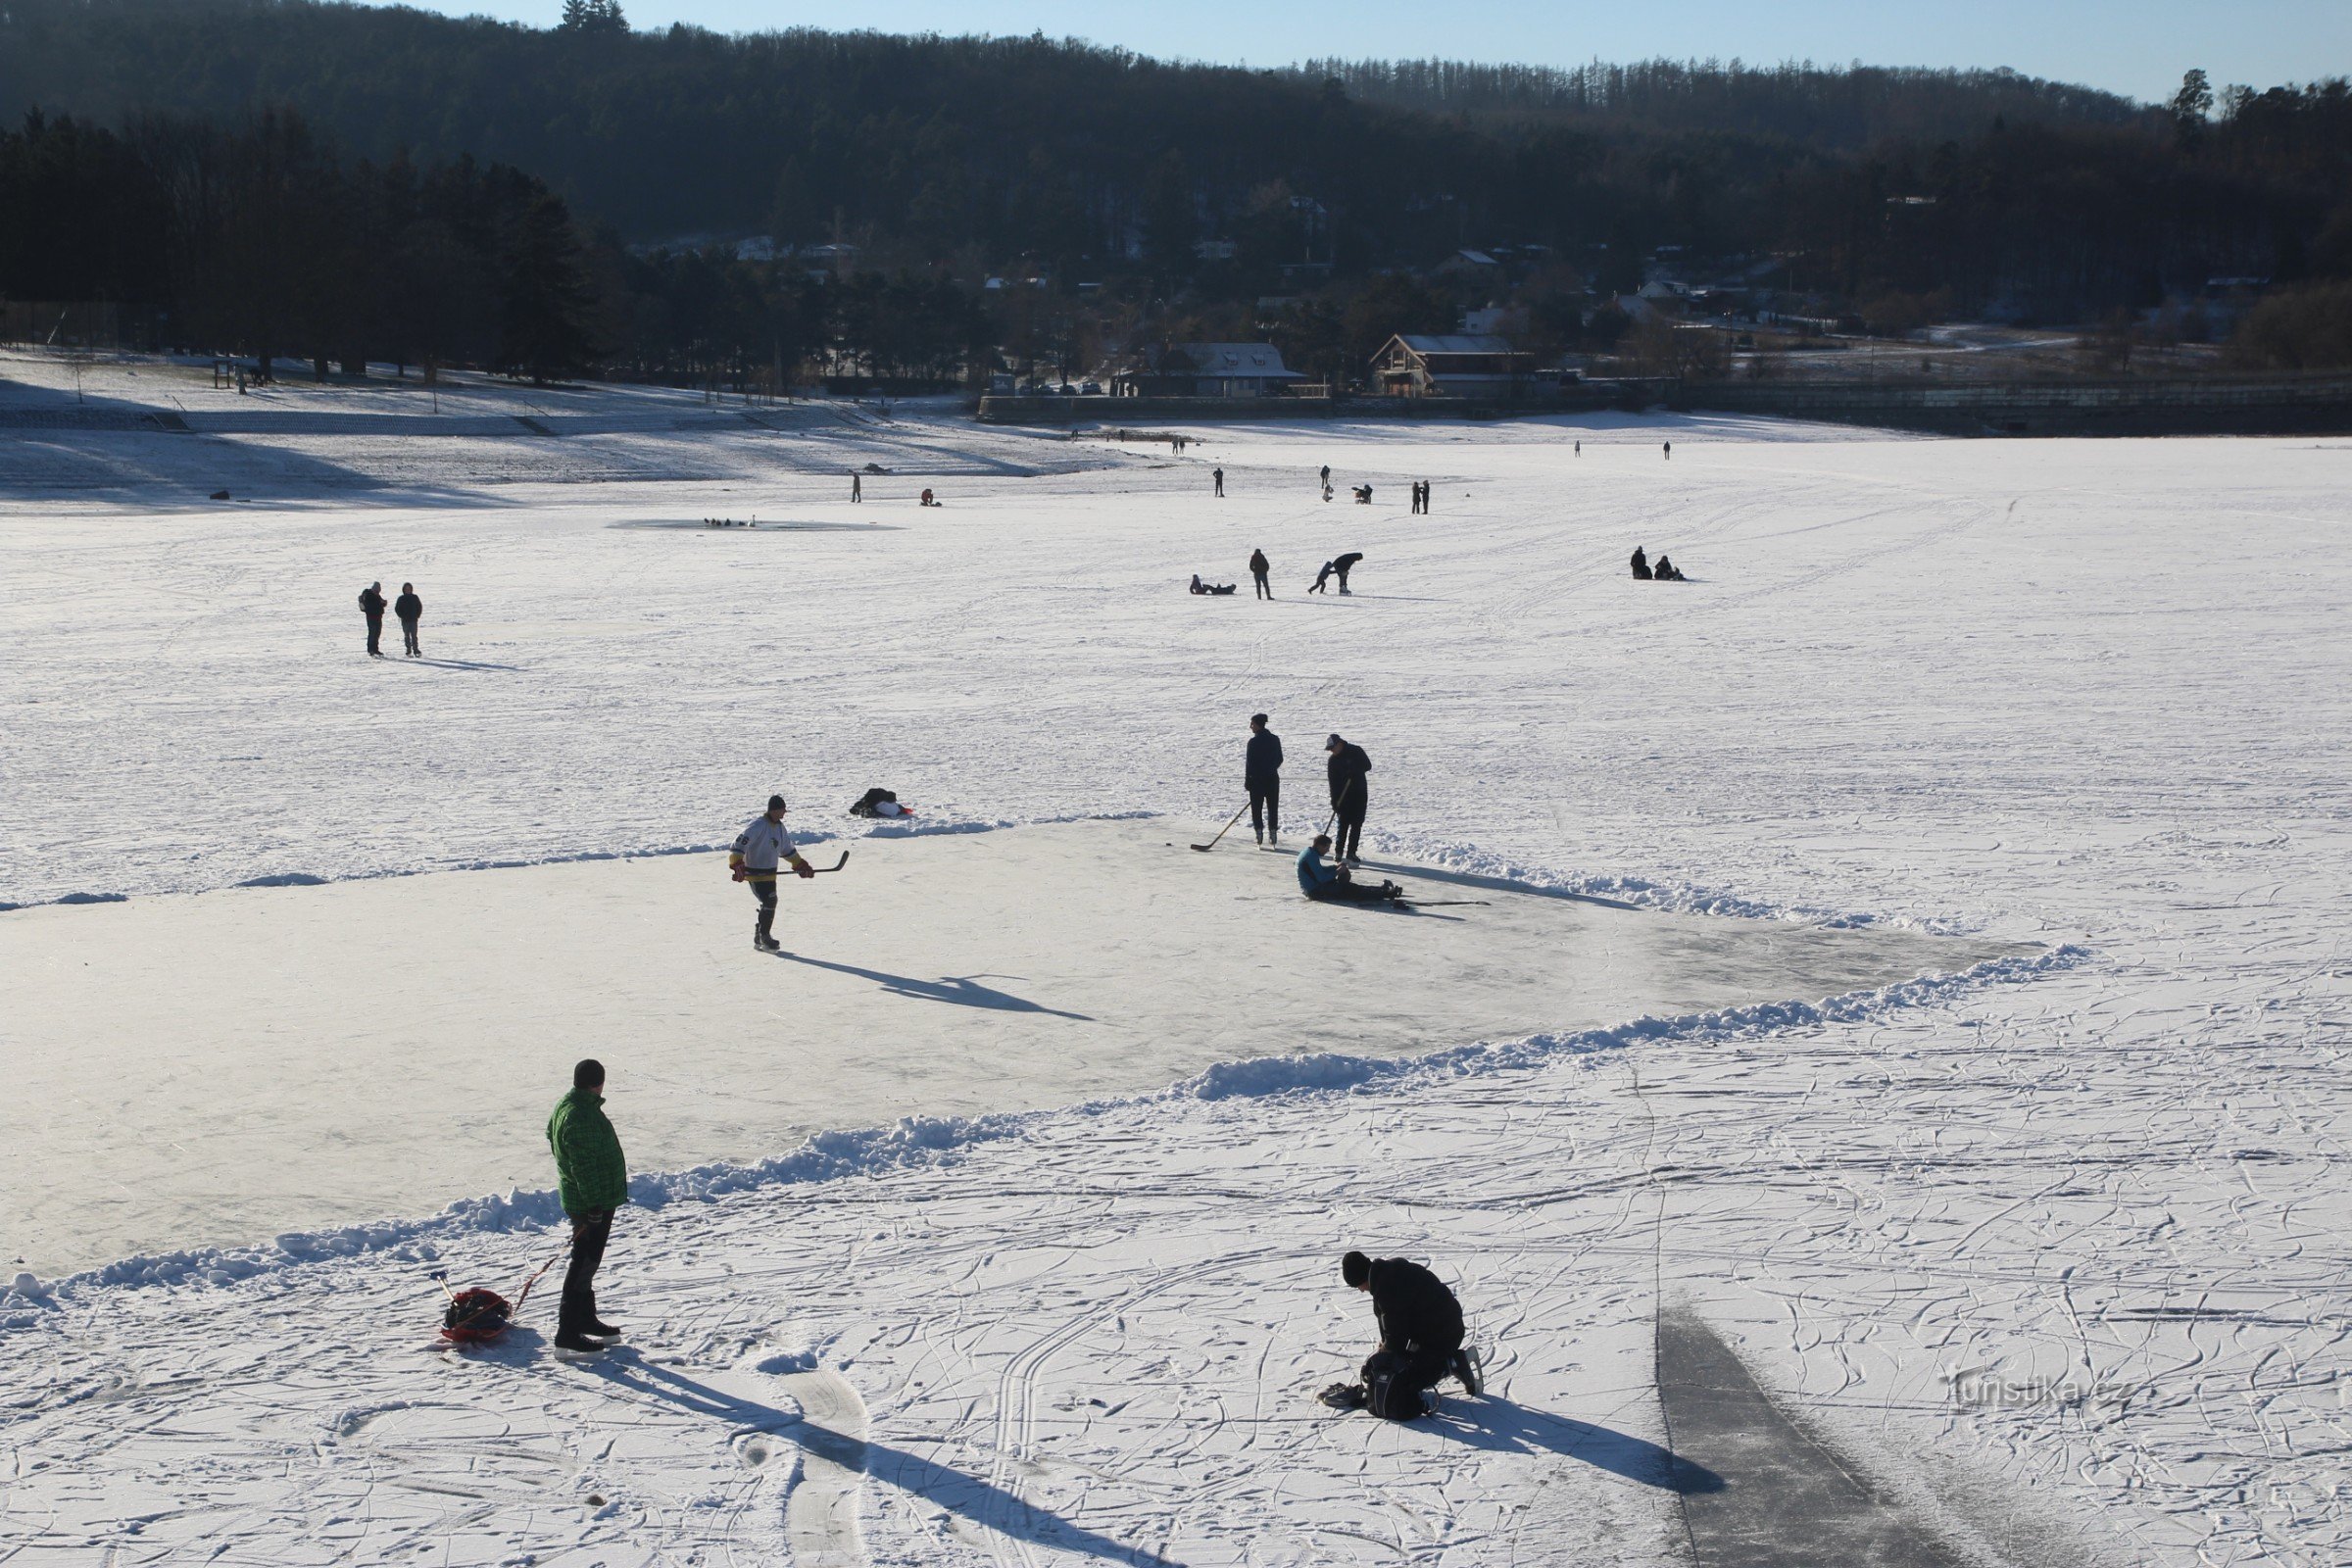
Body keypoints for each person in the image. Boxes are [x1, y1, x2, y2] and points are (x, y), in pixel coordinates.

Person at [1328, 1250, 1479, 1417]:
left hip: (1443, 1335)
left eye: (1358, 1286)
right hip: (1440, 1327)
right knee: (1402, 1365)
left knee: (1411, 1378)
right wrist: (1386, 1346)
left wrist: (1383, 1361)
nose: (1361, 1290)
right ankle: (1445, 1360)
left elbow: (1396, 1339)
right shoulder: (1386, 1273)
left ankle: (1453, 1363)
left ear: (1361, 1278)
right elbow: (1390, 1323)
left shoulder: (1388, 1289)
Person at [547, 1058, 628, 1354]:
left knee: (588, 1263)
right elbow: (583, 1165)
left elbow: (551, 1138)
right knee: (583, 1263)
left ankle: (586, 1319)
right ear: (599, 1083)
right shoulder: (581, 1115)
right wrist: (593, 1203)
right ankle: (567, 1332)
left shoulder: (568, 1105)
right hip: (591, 1203)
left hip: (587, 1199)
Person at [730, 794, 815, 953]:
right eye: (782, 810)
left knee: (769, 902)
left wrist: (800, 865)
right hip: (755, 874)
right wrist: (736, 864)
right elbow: (738, 845)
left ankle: (760, 933)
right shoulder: (757, 826)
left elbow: (787, 850)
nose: (784, 814)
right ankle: (765, 937)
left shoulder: (780, 828)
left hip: (770, 875)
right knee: (770, 900)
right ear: (774, 810)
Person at [1296, 834, 1402, 904]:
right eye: (1326, 848)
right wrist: (1337, 871)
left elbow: (1319, 871)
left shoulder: (1309, 853)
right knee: (1351, 890)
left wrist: (1335, 867)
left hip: (1316, 888)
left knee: (1350, 887)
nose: (1328, 850)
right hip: (1316, 892)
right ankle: (1387, 893)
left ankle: (1381, 890)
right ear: (1319, 846)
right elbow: (1321, 878)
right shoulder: (1311, 857)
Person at [1325, 733, 1371, 862]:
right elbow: (1332, 782)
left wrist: (1354, 770)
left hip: (1359, 794)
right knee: (1343, 824)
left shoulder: (1356, 751)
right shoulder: (1332, 760)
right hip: (1343, 797)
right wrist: (1334, 801)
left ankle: (1351, 853)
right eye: (1330, 749)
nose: (1332, 751)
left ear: (1340, 743)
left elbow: (1368, 765)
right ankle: (1339, 852)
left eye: (1333, 748)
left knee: (1356, 824)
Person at [1247, 712, 1283, 845]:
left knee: (1257, 808)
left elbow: (1249, 764)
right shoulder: (1274, 739)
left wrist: (1248, 780)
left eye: (1252, 724)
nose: (1251, 727)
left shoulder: (1253, 742)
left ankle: (1259, 832)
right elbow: (1279, 759)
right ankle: (1272, 832)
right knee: (1272, 807)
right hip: (1272, 779)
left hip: (1257, 781)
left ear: (1258, 725)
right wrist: (1270, 769)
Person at [393, 582, 423, 658]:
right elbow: (397, 609)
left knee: (414, 636)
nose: (408, 590)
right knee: (407, 636)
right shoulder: (401, 598)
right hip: (405, 621)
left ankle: (416, 649)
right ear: (404, 590)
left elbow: (419, 606)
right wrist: (402, 616)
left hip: (413, 620)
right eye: (406, 589)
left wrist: (417, 615)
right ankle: (408, 650)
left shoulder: (415, 597)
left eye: (409, 589)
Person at [358, 581, 387, 658]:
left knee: (377, 633)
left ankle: (375, 649)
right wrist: (380, 603)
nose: (377, 592)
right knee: (372, 633)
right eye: (376, 590)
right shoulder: (368, 595)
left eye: (378, 591)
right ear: (373, 589)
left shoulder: (377, 595)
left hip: (378, 617)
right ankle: (370, 649)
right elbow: (370, 606)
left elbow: (381, 604)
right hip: (371, 617)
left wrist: (384, 602)